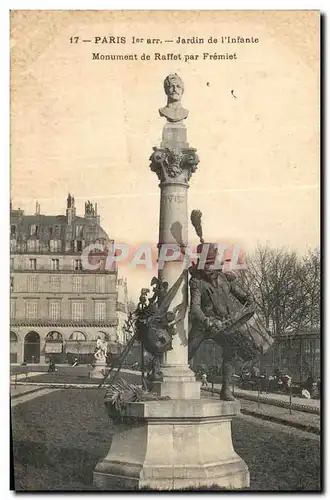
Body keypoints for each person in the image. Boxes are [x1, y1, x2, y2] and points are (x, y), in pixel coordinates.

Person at [188, 243, 254, 401]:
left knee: (230, 351)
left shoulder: (225, 279)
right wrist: (206, 321)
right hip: (204, 325)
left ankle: (225, 390)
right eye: (206, 265)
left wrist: (248, 298)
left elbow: (241, 295)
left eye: (211, 264)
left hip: (223, 323)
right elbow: (195, 308)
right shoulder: (196, 282)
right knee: (188, 352)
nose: (208, 268)